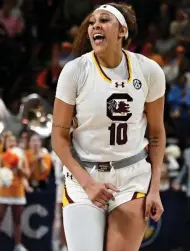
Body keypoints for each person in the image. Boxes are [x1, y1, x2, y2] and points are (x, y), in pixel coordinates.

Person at [51, 3, 166, 251]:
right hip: (84, 176)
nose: (95, 26)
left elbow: (156, 134)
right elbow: (58, 138)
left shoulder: (149, 71)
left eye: (104, 20)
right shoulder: (74, 71)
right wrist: (88, 184)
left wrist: (155, 188)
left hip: (132, 178)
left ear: (122, 30)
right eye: (92, 23)